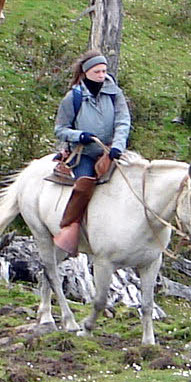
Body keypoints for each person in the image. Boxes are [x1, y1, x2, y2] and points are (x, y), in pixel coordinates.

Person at [50, 53, 130, 253]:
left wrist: (117, 146)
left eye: (104, 71)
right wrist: (79, 136)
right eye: (97, 72)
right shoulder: (73, 98)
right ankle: (71, 226)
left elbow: (123, 121)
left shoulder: (115, 93)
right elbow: (60, 129)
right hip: (84, 153)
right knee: (84, 185)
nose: (102, 75)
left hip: (111, 152)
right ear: (86, 73)